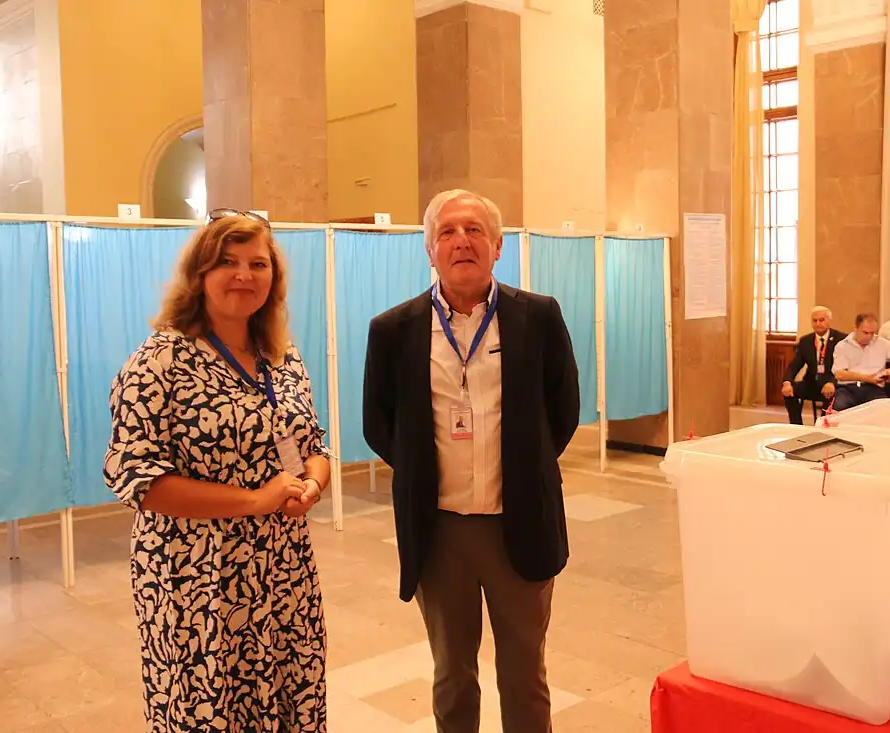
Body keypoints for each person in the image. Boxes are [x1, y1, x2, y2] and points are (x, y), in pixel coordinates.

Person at [363, 189, 580, 733]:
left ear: (498, 246)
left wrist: (521, 467)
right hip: (440, 532)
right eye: (447, 231)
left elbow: (563, 409)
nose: (461, 240)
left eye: (475, 229)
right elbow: (379, 423)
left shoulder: (539, 316)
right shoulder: (393, 330)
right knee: (452, 674)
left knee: (524, 675)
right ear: (429, 250)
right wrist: (426, 470)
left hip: (520, 522)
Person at [104, 209, 330, 732]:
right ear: (199, 274)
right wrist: (253, 500)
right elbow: (137, 479)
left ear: (274, 279)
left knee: (287, 702)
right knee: (208, 713)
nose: (243, 276)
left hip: (282, 572)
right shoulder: (160, 361)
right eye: (227, 262)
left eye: (258, 263)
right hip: (197, 582)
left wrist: (311, 484)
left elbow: (313, 444)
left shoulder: (282, 357)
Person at [831, 312, 890, 411]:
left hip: (874, 388)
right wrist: (866, 378)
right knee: (840, 406)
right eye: (865, 332)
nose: (869, 337)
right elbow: (839, 374)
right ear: (855, 328)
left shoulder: (881, 343)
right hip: (848, 388)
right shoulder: (842, 346)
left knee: (882, 409)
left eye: (872, 333)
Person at [781, 306, 847, 424]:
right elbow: (795, 365)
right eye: (815, 320)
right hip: (812, 382)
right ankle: (797, 426)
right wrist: (787, 382)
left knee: (833, 396)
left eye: (821, 320)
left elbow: (844, 366)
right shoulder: (806, 341)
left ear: (829, 320)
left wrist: (832, 382)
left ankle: (822, 427)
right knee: (790, 392)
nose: (818, 323)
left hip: (832, 383)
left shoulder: (840, 339)